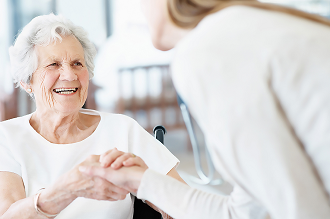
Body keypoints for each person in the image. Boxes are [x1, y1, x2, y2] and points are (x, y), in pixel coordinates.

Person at [79, 0, 330, 218]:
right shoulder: (251, 26)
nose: (141, 8)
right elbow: (245, 212)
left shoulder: (207, 49)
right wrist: (141, 181)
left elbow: (300, 211)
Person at [0, 14, 184, 219]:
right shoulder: (2, 138)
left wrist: (148, 184)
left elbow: (185, 206)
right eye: (53, 64)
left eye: (77, 63)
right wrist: (67, 189)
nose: (69, 75)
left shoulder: (123, 129)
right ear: (27, 81)